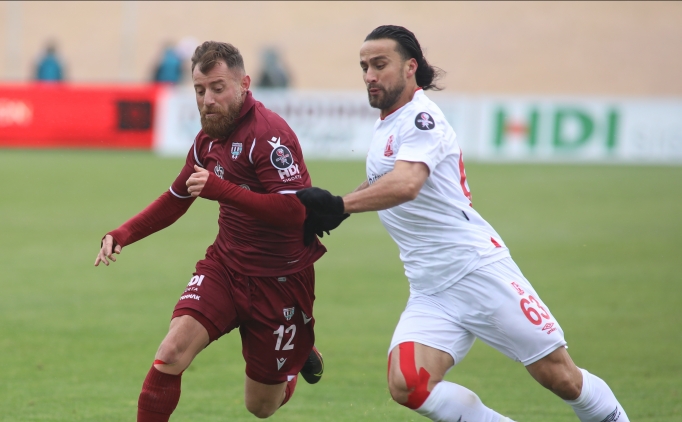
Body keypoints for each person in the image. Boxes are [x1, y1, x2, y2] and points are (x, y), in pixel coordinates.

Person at [296, 25, 630, 422]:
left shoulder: (421, 118)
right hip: (430, 286)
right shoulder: (389, 122)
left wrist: (339, 204)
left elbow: (407, 184)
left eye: (379, 64)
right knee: (408, 384)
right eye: (364, 66)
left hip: (476, 270)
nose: (369, 75)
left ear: (410, 67)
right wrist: (341, 210)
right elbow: (386, 177)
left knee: (560, 377)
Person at [95, 41, 334, 421]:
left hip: (280, 280)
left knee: (261, 407)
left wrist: (223, 190)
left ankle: (296, 357)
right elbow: (176, 198)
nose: (207, 100)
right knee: (170, 353)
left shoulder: (270, 136)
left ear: (244, 84)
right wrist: (122, 233)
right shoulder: (208, 139)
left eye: (218, 88)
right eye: (199, 90)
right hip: (225, 268)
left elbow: (295, 212)